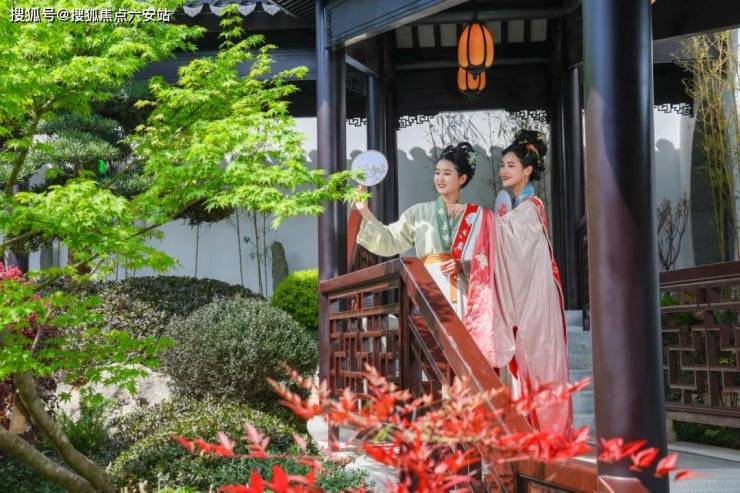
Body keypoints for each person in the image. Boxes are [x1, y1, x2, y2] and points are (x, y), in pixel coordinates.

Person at [463, 130, 571, 435]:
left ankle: (548, 432)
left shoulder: (531, 208)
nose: (503, 170)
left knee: (539, 359)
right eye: (503, 165)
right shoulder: (517, 208)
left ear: (527, 170)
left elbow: (507, 240)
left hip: (536, 298)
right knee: (526, 362)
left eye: (511, 165)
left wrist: (476, 218)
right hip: (526, 296)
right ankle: (532, 431)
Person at [354, 142, 483, 317]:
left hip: (461, 289)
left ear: (462, 179)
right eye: (437, 173)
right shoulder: (418, 213)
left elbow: (487, 257)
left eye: (447, 173)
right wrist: (364, 210)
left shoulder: (474, 215)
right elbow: (391, 239)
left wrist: (463, 265)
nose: (440, 178)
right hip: (428, 285)